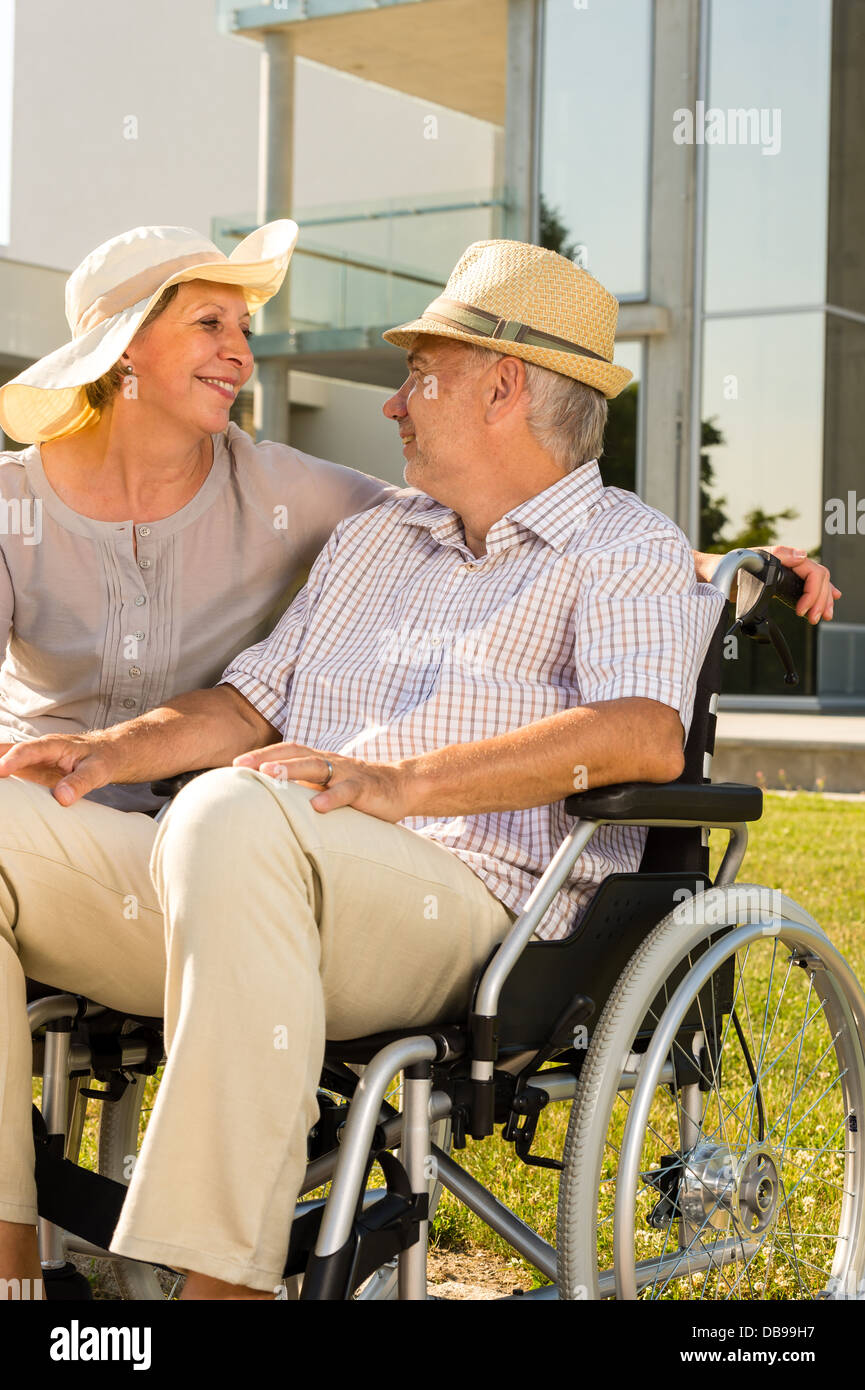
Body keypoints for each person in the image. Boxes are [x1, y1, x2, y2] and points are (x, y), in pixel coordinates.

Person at [0, 239, 835, 1300]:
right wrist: (110, 750)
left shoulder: (624, 545)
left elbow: (640, 733)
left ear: (503, 386)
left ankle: (221, 1287)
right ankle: (10, 1263)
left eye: (416, 376)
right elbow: (250, 701)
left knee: (233, 814)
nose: (393, 407)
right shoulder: (374, 539)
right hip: (252, 865)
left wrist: (406, 784)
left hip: (455, 907)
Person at [0, 219, 395, 813]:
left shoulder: (286, 492)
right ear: (124, 344)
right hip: (35, 808)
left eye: (243, 329)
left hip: (206, 827)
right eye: (209, 323)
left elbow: (444, 526)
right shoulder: (13, 502)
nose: (240, 354)